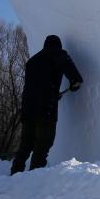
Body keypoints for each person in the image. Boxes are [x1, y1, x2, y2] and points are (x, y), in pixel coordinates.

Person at [11, 35, 83, 175]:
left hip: (27, 108)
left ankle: (15, 174)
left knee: (26, 143)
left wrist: (53, 94)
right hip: (45, 109)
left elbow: (36, 85)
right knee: (43, 142)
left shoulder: (32, 61)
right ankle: (35, 175)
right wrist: (75, 81)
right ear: (58, 45)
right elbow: (72, 72)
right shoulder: (57, 53)